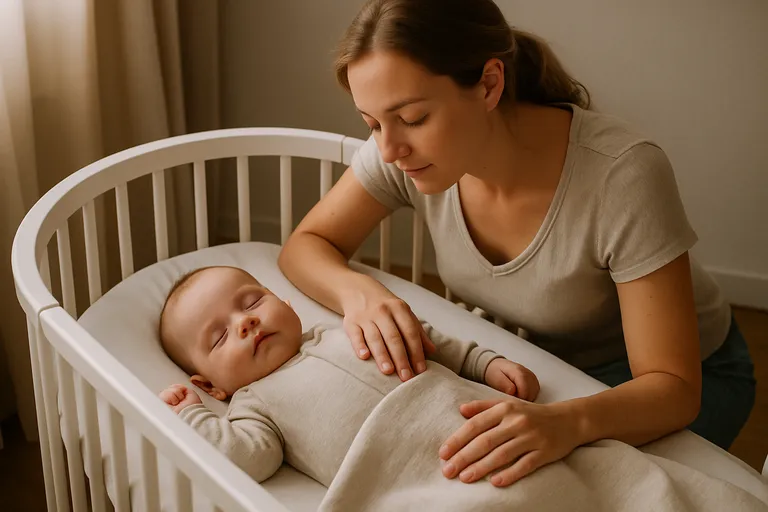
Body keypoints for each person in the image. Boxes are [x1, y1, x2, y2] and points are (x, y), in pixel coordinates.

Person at [277, 0, 756, 489]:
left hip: (679, 378)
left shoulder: (622, 174)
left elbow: (673, 389)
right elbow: (306, 245)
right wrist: (361, 295)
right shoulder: (402, 154)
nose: (388, 149)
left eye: (414, 117)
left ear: (489, 84)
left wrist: (565, 422)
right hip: (535, 359)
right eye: (372, 124)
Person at [156, 265, 540, 484]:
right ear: (210, 386)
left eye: (253, 302)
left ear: (286, 303)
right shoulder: (253, 407)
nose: (245, 322)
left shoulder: (342, 329)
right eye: (220, 337)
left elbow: (420, 338)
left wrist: (482, 363)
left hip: (476, 420)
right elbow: (249, 460)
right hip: (415, 478)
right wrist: (193, 416)